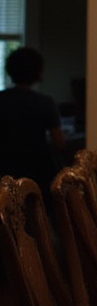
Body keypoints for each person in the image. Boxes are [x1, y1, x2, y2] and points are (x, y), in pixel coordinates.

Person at [0, 47, 66, 205]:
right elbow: (59, 143)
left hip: (4, 168)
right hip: (38, 170)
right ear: (37, 72)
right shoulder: (45, 102)